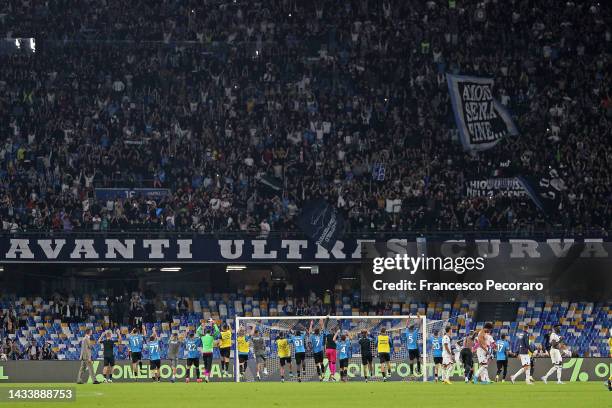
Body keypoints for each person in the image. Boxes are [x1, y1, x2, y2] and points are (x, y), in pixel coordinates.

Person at [197, 319, 220, 383]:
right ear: (210, 332)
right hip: (210, 352)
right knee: (209, 365)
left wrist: (201, 325)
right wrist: (214, 324)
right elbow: (217, 331)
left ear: (205, 332)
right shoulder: (212, 337)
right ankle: (206, 377)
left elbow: (197, 331)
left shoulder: (202, 337)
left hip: (204, 352)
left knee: (205, 364)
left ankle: (206, 376)